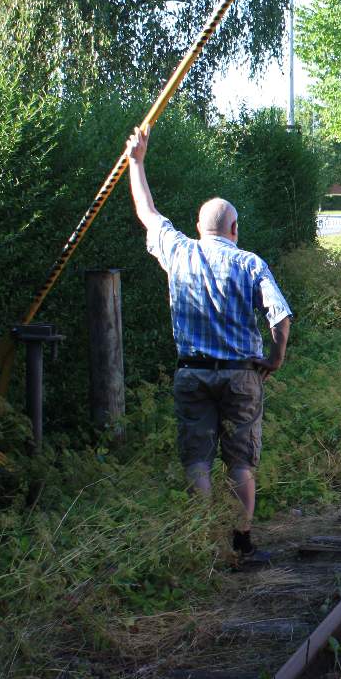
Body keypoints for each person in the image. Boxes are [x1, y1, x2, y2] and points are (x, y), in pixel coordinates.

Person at [125, 127, 293, 564]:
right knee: (240, 461)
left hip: (192, 373)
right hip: (240, 375)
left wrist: (137, 162)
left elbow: (147, 212)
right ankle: (240, 542)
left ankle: (203, 541)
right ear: (234, 229)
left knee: (197, 459)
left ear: (199, 228)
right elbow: (280, 316)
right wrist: (273, 359)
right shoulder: (249, 263)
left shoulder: (179, 252)